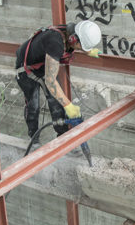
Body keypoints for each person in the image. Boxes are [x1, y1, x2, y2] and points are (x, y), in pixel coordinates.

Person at [15, 20, 102, 149]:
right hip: (26, 69)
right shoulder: (55, 41)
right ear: (73, 39)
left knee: (57, 104)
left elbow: (75, 44)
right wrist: (69, 105)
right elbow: (50, 81)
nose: (81, 50)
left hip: (44, 64)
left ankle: (62, 141)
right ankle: (34, 140)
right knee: (33, 106)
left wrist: (88, 51)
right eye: (81, 47)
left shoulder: (71, 33)